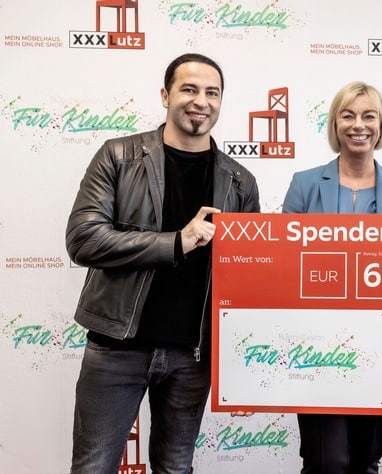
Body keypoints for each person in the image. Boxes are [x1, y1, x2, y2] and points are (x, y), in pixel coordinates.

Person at [65, 53, 260, 473]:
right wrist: (176, 242)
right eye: (189, 89)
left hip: (192, 356)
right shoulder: (118, 156)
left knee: (175, 468)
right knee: (93, 467)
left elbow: (247, 277)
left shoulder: (241, 181)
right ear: (165, 95)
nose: (201, 101)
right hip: (117, 347)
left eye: (212, 93)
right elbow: (83, 239)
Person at [283, 81, 382, 473]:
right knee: (325, 461)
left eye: (368, 116)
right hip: (316, 346)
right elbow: (282, 264)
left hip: (380, 346)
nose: (358, 125)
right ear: (335, 124)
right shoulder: (305, 184)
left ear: (381, 126)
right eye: (348, 116)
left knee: (365, 461)